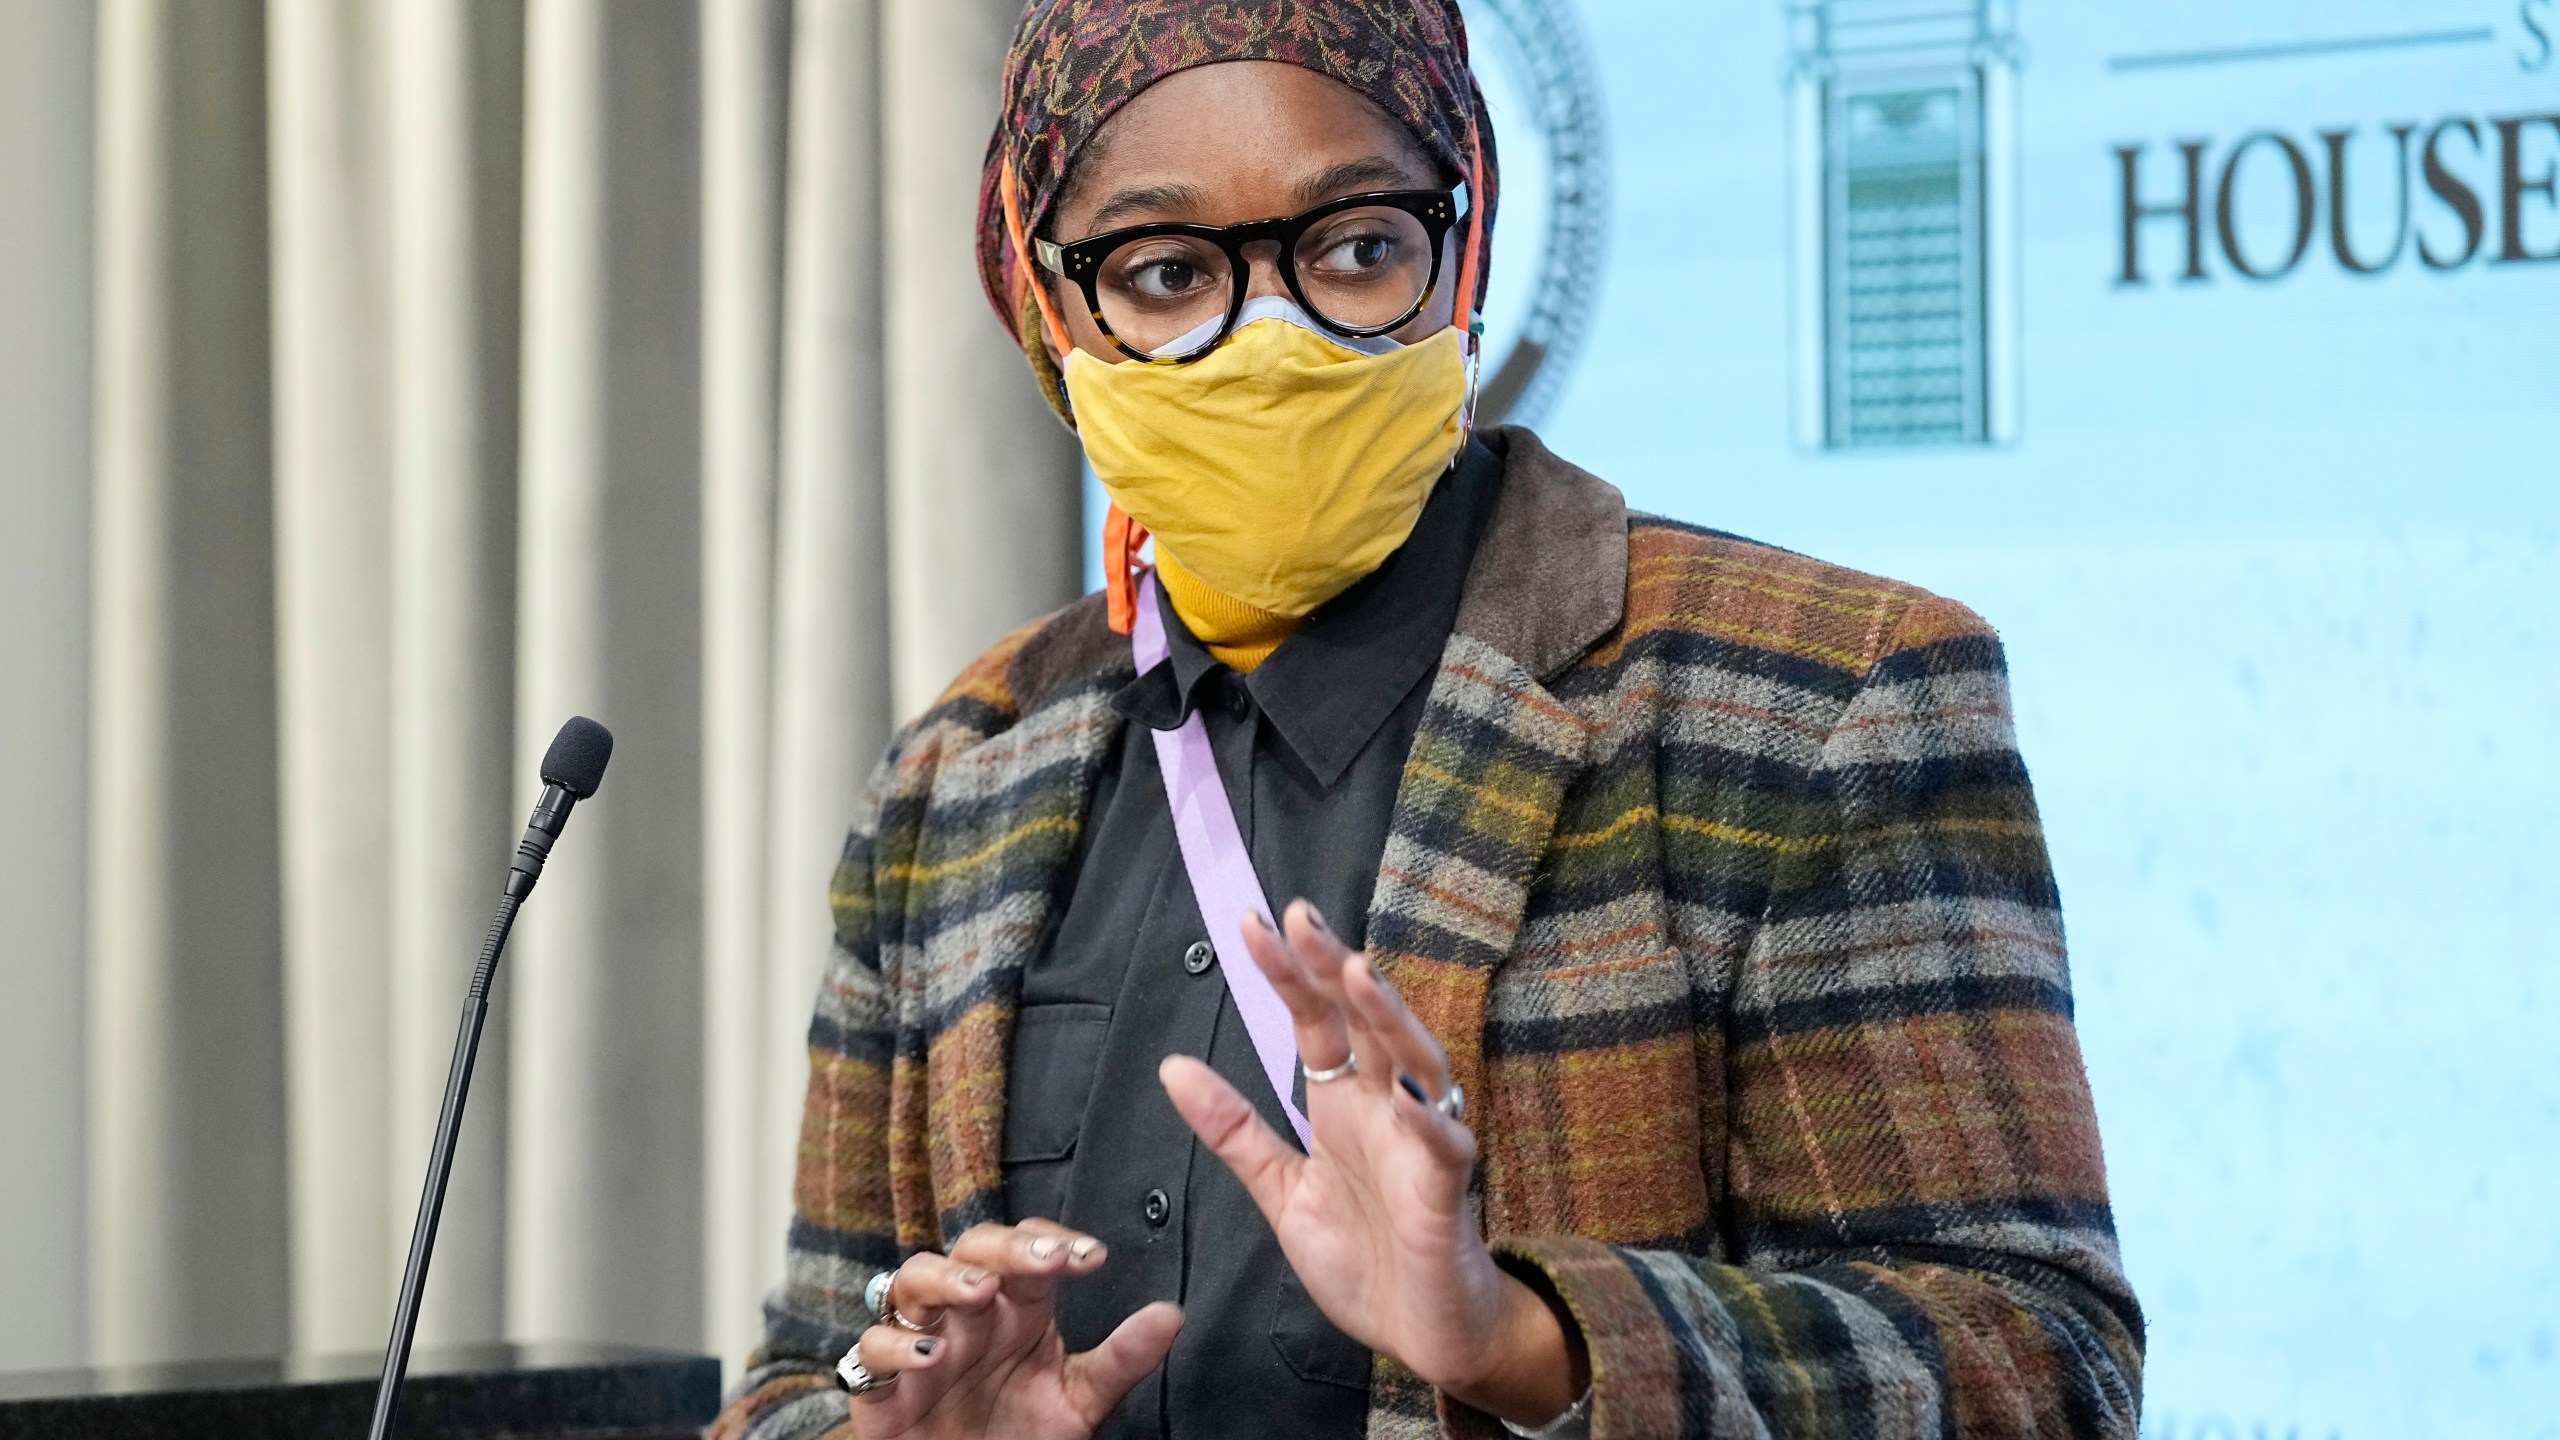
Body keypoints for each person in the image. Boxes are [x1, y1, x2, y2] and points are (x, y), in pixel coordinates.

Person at [710, 3, 2143, 1437]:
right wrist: (877, 1427)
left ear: (1463, 247)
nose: (1268, 343)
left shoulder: (1825, 698)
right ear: (1048, 302)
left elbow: (2037, 1364)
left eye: (1355, 250)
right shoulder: (955, 777)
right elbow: (805, 1370)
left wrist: (1527, 1338)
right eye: (1162, 272)